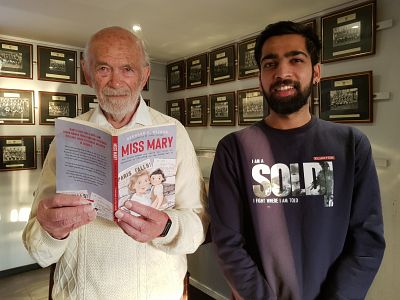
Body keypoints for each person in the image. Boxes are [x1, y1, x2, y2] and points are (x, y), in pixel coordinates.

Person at [23, 26, 208, 300]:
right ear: (88, 75)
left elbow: (198, 227)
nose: (116, 82)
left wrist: (167, 227)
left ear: (144, 75)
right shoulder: (68, 136)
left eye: (127, 69)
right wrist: (52, 229)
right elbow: (38, 249)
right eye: (103, 69)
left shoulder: (174, 131)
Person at [208, 21, 385, 300]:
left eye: (296, 59)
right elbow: (227, 242)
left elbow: (367, 241)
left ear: (315, 72)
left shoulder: (351, 144)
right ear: (260, 78)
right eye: (270, 64)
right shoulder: (234, 149)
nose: (282, 72)